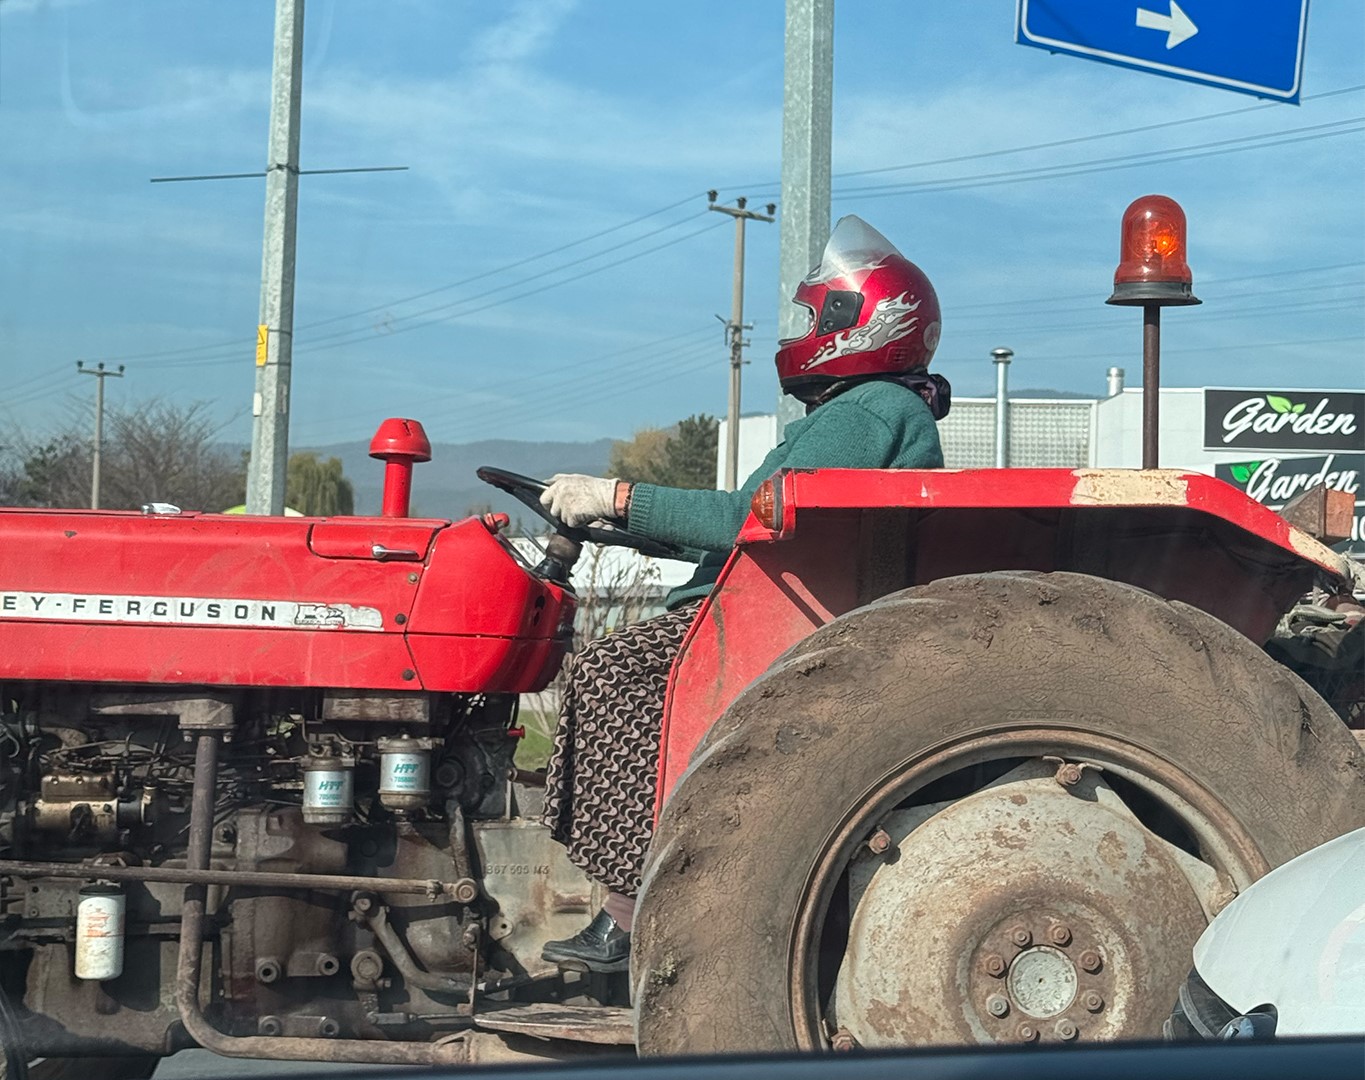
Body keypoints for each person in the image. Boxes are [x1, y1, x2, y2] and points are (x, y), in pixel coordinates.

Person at [534, 215, 951, 971]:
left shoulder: (870, 409)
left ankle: (631, 914)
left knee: (611, 674)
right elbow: (744, 523)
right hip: (778, 599)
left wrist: (619, 494)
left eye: (811, 315)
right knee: (612, 669)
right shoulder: (869, 410)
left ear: (859, 324)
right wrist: (623, 522)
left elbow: (747, 521)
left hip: (777, 617)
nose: (795, 333)